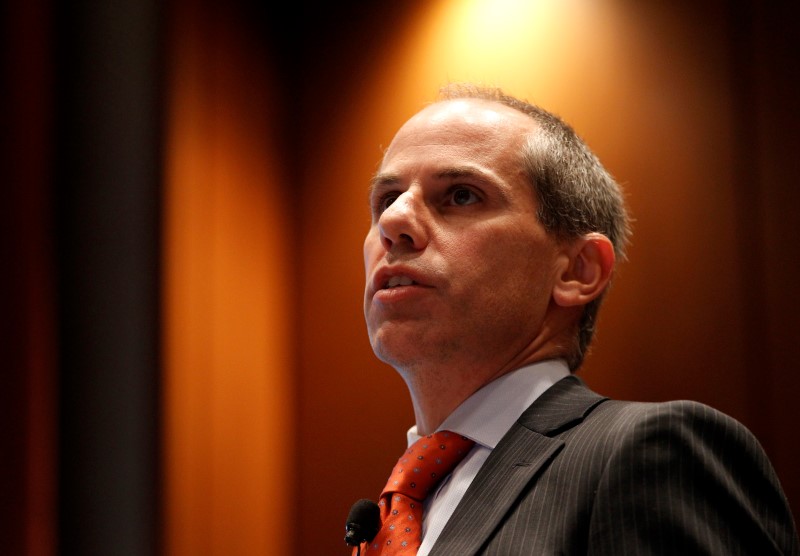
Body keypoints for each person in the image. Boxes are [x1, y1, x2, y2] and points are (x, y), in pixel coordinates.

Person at [354, 82, 799, 555]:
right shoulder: (394, 512)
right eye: (387, 199)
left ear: (577, 271)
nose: (393, 222)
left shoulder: (648, 456)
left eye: (461, 196)